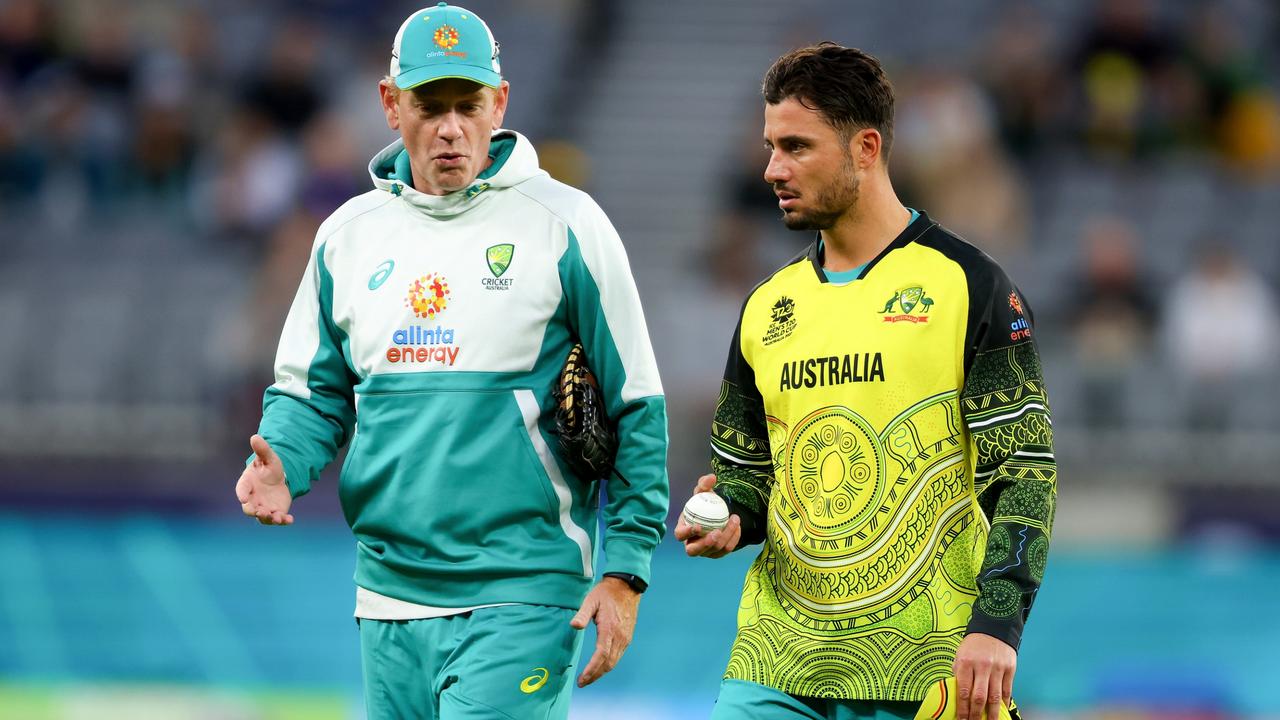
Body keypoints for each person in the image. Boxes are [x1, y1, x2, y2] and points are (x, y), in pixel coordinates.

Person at [234, 5, 670, 718]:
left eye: (468, 105)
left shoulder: (568, 226)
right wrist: (283, 458)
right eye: (428, 105)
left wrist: (625, 568)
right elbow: (311, 393)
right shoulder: (346, 237)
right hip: (387, 597)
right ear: (389, 104)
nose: (449, 126)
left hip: (525, 591)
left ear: (498, 103)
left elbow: (637, 406)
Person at [676, 43, 1057, 720]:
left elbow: (1024, 475)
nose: (771, 169)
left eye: (796, 146)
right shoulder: (767, 307)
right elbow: (748, 476)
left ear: (866, 148)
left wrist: (997, 625)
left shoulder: (971, 286)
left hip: (927, 671)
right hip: (775, 661)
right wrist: (730, 515)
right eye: (769, 146)